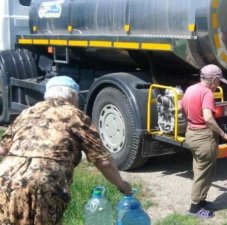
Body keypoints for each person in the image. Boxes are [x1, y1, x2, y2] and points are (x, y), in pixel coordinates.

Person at [0, 76, 132, 225]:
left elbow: (3, 150)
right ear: (73, 97)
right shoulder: (76, 116)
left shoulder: (27, 113)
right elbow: (104, 162)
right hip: (43, 184)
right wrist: (122, 186)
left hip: (4, 179)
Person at [181, 64, 227, 218]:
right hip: (204, 137)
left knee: (199, 168)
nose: (219, 85)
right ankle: (195, 208)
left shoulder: (190, 89)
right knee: (204, 172)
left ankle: (201, 200)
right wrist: (224, 134)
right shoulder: (207, 93)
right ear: (214, 79)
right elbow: (208, 118)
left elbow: (182, 107)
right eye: (219, 81)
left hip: (191, 134)